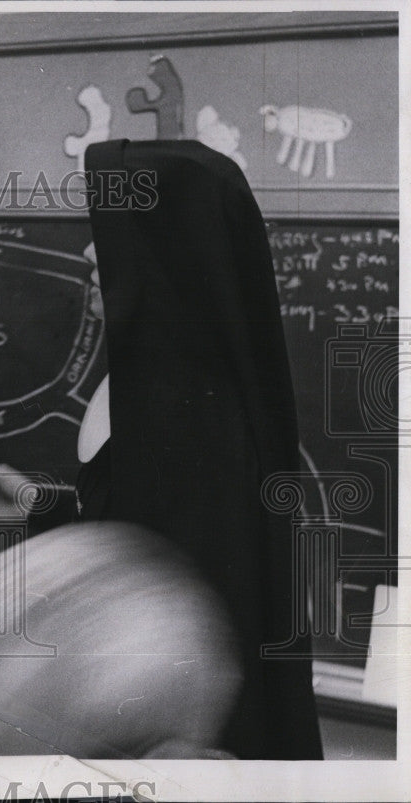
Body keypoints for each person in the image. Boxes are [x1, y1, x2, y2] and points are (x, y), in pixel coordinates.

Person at [73, 138, 324, 759]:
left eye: (111, 234)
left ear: (167, 254)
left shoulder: (201, 429)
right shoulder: (143, 388)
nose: (87, 253)